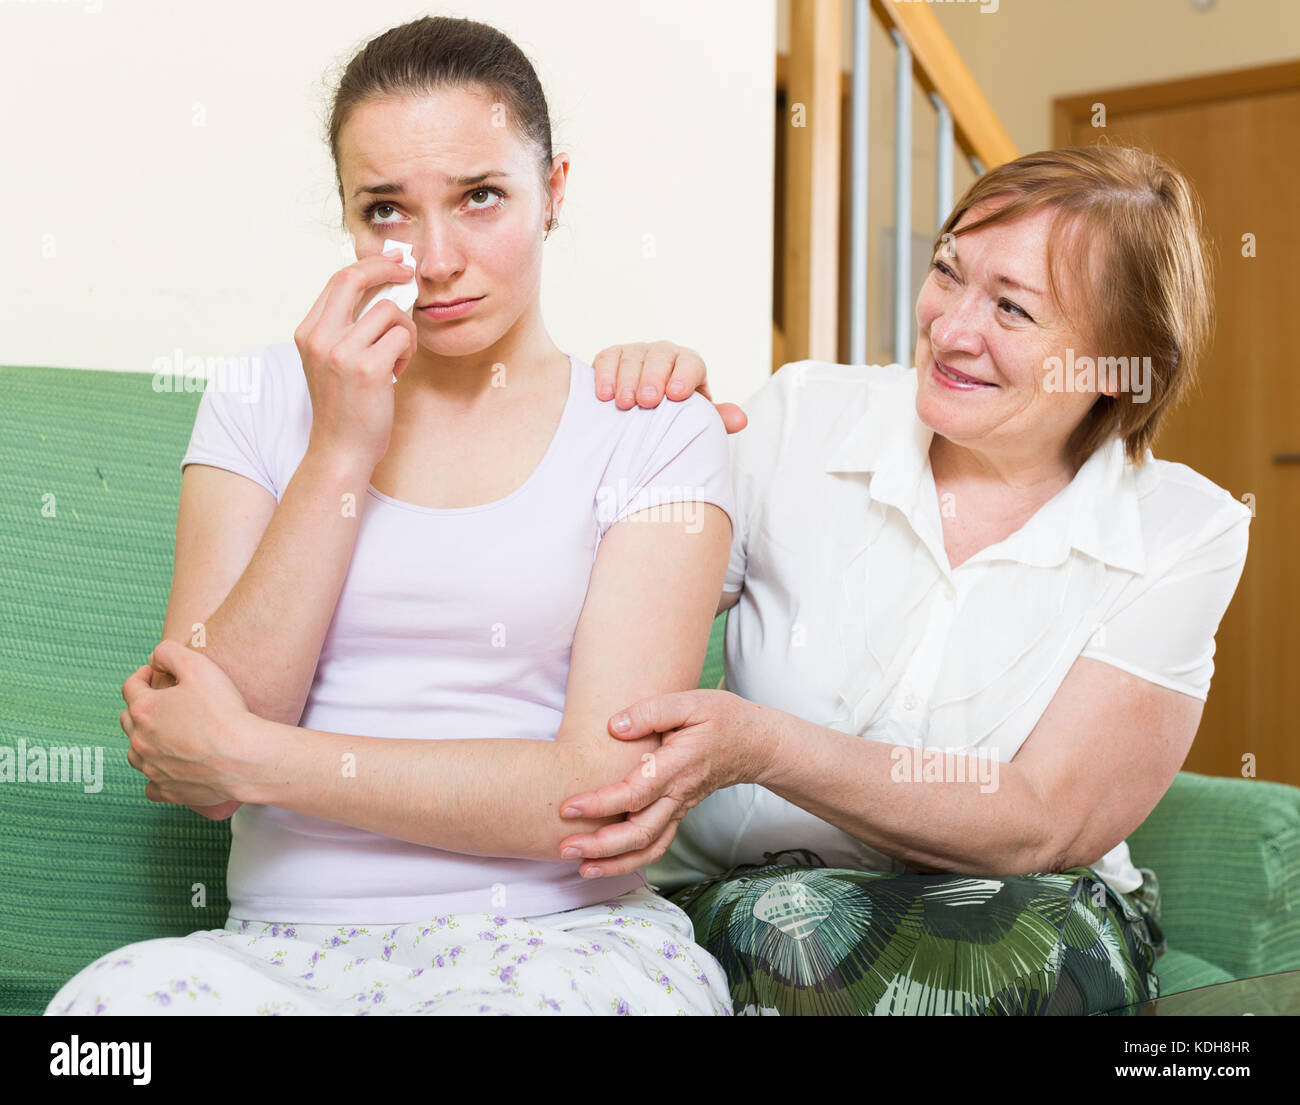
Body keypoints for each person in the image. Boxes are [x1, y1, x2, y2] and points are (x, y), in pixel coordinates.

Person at [44, 14, 737, 1017]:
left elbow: (598, 796)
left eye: (480, 196)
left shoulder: (655, 427)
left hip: (555, 944)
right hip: (277, 953)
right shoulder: (257, 401)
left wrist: (259, 759)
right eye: (385, 210)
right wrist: (340, 447)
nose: (437, 257)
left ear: (555, 194)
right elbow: (196, 765)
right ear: (346, 217)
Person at [561, 145, 1252, 1016]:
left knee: (1014, 958)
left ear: (1119, 360)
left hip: (1040, 902)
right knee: (797, 932)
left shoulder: (1187, 531)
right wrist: (631, 433)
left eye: (1011, 307)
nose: (951, 328)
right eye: (947, 272)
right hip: (758, 898)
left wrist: (763, 744)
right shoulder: (800, 418)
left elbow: (1042, 819)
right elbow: (584, 597)